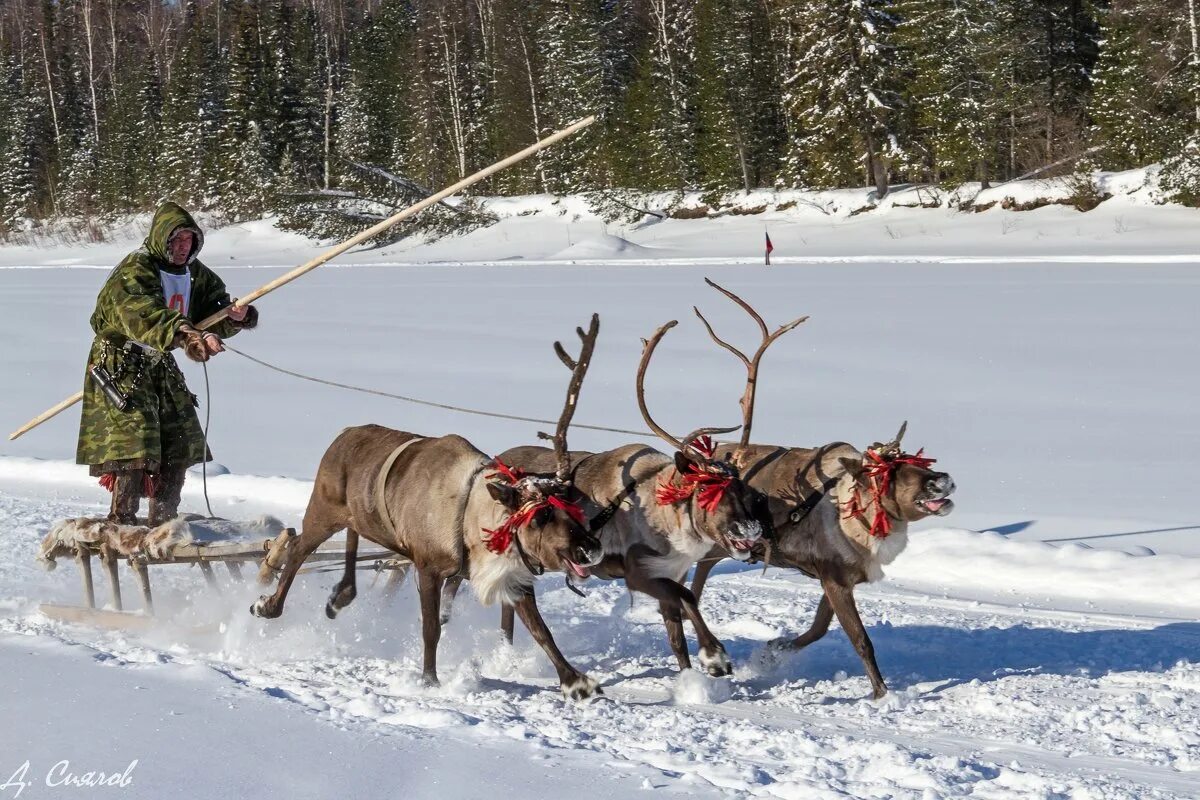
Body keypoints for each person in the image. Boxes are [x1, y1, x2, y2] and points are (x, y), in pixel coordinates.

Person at [76, 201, 259, 525]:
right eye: (175, 241)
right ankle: (123, 520)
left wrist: (234, 317)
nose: (181, 247)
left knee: (180, 437)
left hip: (158, 361)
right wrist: (185, 334)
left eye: (188, 241)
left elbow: (210, 311)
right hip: (119, 362)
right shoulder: (136, 269)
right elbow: (143, 314)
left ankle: (162, 519)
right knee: (134, 441)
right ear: (161, 239)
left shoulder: (194, 273)